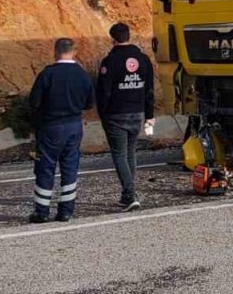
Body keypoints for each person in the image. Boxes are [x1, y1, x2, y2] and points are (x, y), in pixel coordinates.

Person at [28, 37, 94, 223]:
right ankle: (66, 211)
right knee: (70, 167)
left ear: (55, 52)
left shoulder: (47, 74)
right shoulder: (82, 74)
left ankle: (42, 211)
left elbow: (34, 101)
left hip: (51, 126)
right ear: (74, 52)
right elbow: (89, 103)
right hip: (73, 125)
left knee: (45, 167)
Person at [95, 22, 156, 211]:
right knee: (130, 153)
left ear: (112, 39)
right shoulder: (144, 59)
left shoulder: (110, 61)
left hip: (116, 114)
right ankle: (126, 194)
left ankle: (130, 195)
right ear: (129, 36)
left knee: (120, 155)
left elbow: (104, 91)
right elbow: (149, 91)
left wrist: (103, 113)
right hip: (137, 113)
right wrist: (149, 115)